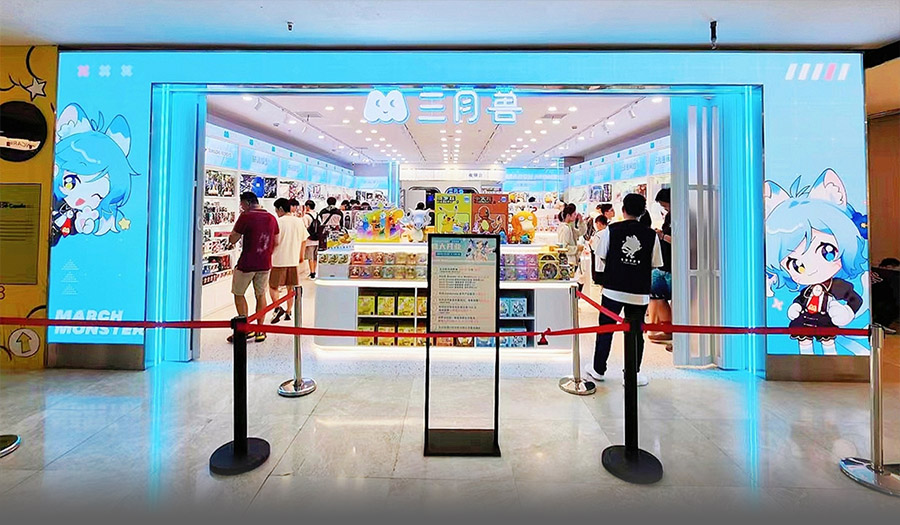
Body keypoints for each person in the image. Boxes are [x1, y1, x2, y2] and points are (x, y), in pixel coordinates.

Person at [587, 193, 663, 387]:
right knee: (636, 333)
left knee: (606, 329)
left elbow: (601, 255)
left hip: (613, 289)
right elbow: (655, 263)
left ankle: (598, 369)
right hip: (639, 292)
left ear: (623, 210)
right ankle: (632, 373)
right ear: (643, 212)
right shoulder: (651, 235)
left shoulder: (611, 230)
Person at [228, 191, 279, 343]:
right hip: (264, 263)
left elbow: (233, 239)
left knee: (239, 293)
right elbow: (276, 241)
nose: (241, 206)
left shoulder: (246, 216)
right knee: (261, 294)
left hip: (247, 263)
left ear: (247, 203)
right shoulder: (271, 218)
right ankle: (260, 330)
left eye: (242, 203)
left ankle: (245, 328)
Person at [268, 198, 307, 324]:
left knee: (273, 286)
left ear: (280, 209)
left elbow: (273, 241)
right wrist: (301, 256)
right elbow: (304, 239)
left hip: (278, 260)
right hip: (293, 259)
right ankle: (289, 312)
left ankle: (277, 307)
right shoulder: (298, 221)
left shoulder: (277, 222)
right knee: (291, 288)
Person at [648, 189, 673, 347]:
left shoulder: (682, 215)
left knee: (676, 300)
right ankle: (666, 329)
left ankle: (673, 332)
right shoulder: (670, 216)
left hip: (673, 266)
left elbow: (682, 240)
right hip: (663, 264)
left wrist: (662, 236)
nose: (665, 208)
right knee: (657, 295)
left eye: (665, 205)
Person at [557, 203, 586, 291]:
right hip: (568, 261)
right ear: (568, 215)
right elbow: (564, 247)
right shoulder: (565, 229)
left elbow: (581, 232)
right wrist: (577, 248)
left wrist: (581, 221)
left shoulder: (569, 227)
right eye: (574, 214)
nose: (575, 216)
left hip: (571, 260)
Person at [590, 214, 609, 286]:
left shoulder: (598, 234)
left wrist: (591, 243)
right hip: (608, 262)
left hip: (599, 262)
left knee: (600, 281)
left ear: (599, 223)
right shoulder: (609, 232)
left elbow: (594, 247)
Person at [302, 199, 319, 278]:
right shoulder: (318, 215)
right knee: (315, 257)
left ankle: (312, 272)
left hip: (310, 240)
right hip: (317, 239)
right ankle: (314, 271)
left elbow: (305, 227)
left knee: (310, 257)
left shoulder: (306, 216)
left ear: (308, 206)